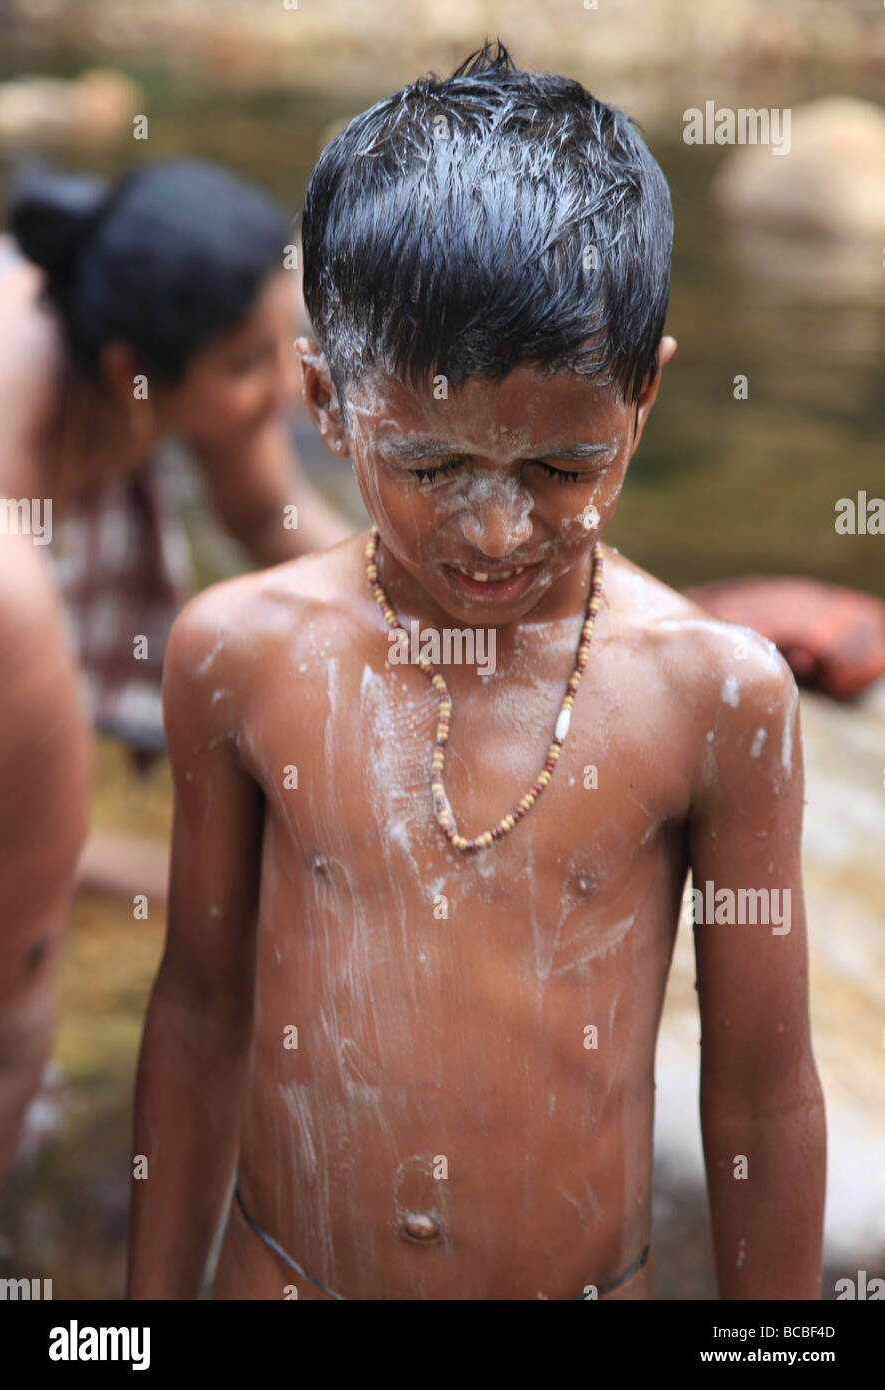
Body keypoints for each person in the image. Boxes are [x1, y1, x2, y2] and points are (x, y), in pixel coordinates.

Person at [128, 42, 826, 1300]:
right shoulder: (238, 652)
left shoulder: (717, 698)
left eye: (564, 468)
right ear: (327, 405)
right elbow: (196, 1010)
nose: (497, 532)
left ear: (645, 401)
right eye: (433, 464)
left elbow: (762, 1097)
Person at [0, 157, 350, 1184]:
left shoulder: (183, 358)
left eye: (282, 345)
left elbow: (270, 520)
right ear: (128, 377)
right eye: (249, 363)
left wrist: (437, 620)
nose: (285, 387)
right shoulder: (12, 501)